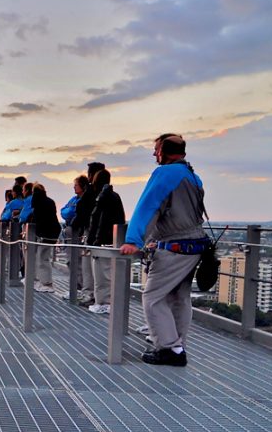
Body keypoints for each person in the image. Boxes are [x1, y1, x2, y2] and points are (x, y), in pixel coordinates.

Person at [120, 134, 206, 367]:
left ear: (164, 151)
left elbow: (148, 206)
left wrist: (133, 240)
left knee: (153, 298)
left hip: (174, 247)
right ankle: (177, 345)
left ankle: (169, 349)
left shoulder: (165, 174)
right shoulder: (193, 176)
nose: (153, 153)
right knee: (179, 297)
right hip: (195, 246)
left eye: (156, 148)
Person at [85, 169, 125, 314]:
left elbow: (99, 221)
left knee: (102, 274)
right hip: (110, 240)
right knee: (103, 273)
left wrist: (94, 240)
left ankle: (104, 303)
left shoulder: (104, 197)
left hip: (102, 241)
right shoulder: (113, 196)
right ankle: (103, 301)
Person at [73, 163, 105, 304]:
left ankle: (90, 294)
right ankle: (96, 296)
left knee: (88, 265)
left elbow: (83, 211)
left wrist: (76, 225)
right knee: (98, 268)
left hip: (91, 232)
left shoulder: (92, 192)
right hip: (100, 233)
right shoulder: (106, 191)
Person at [28, 183, 61, 292]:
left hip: (44, 234)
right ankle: (44, 281)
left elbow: (37, 219)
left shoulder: (37, 202)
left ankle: (46, 283)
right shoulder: (50, 201)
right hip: (53, 232)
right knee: (44, 257)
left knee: (42, 258)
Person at [60, 175, 88, 290]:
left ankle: (80, 287)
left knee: (78, 262)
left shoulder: (84, 199)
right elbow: (63, 211)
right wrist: (70, 211)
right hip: (69, 233)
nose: (74, 187)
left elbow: (70, 212)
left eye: (76, 185)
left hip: (78, 233)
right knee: (71, 262)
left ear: (82, 185)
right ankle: (75, 288)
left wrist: (70, 211)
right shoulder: (74, 199)